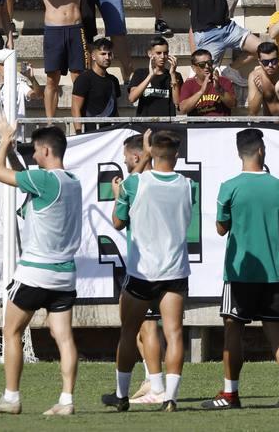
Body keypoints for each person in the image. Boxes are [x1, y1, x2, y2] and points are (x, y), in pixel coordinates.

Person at [0, 121, 82, 416]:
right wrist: (15, 153)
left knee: (11, 332)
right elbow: (26, 176)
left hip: (36, 272)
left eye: (37, 151)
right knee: (64, 338)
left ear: (47, 150)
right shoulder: (72, 180)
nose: (34, 155)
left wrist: (3, 141)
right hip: (65, 274)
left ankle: (11, 397)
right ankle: (66, 400)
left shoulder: (46, 181)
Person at [205, 128, 279, 410]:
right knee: (275, 329)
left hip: (240, 273)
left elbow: (221, 229)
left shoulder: (229, 187)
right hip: (271, 270)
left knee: (233, 329)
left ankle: (230, 394)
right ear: (261, 150)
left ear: (239, 153)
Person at [109, 130, 192, 412]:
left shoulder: (135, 183)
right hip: (175, 270)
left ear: (152, 154)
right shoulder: (187, 185)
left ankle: (121, 395)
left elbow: (118, 222)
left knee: (128, 331)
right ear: (176, 155)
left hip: (143, 271)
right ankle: (171, 396)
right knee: (175, 333)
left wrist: (119, 196)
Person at [36, 0, 90, 119]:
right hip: (54, 30)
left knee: (79, 79)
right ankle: (50, 123)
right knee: (52, 80)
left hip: (75, 29)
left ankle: (79, 123)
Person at [72, 38, 121, 130]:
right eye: (103, 54)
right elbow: (75, 109)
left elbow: (114, 109)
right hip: (91, 134)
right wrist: (79, 134)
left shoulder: (114, 80)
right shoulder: (84, 79)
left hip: (111, 133)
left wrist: (117, 129)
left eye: (109, 54)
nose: (107, 57)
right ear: (93, 56)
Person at [128, 38, 182, 118]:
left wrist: (173, 75)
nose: (163, 56)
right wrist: (150, 75)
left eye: (166, 53)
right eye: (158, 53)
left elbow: (177, 103)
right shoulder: (140, 73)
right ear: (150, 54)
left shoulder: (175, 75)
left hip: (167, 126)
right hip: (145, 126)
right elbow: (132, 98)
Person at [246, 41, 279, 116]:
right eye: (265, 62)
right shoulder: (255, 76)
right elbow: (252, 112)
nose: (270, 65)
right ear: (259, 62)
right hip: (269, 124)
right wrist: (259, 92)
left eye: (274, 61)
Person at [178, 49, 237, 117]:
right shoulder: (188, 84)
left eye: (209, 63)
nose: (207, 66)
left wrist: (219, 89)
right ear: (194, 68)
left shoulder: (224, 81)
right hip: (198, 126)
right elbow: (183, 110)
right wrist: (201, 91)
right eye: (202, 64)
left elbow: (233, 105)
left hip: (220, 125)